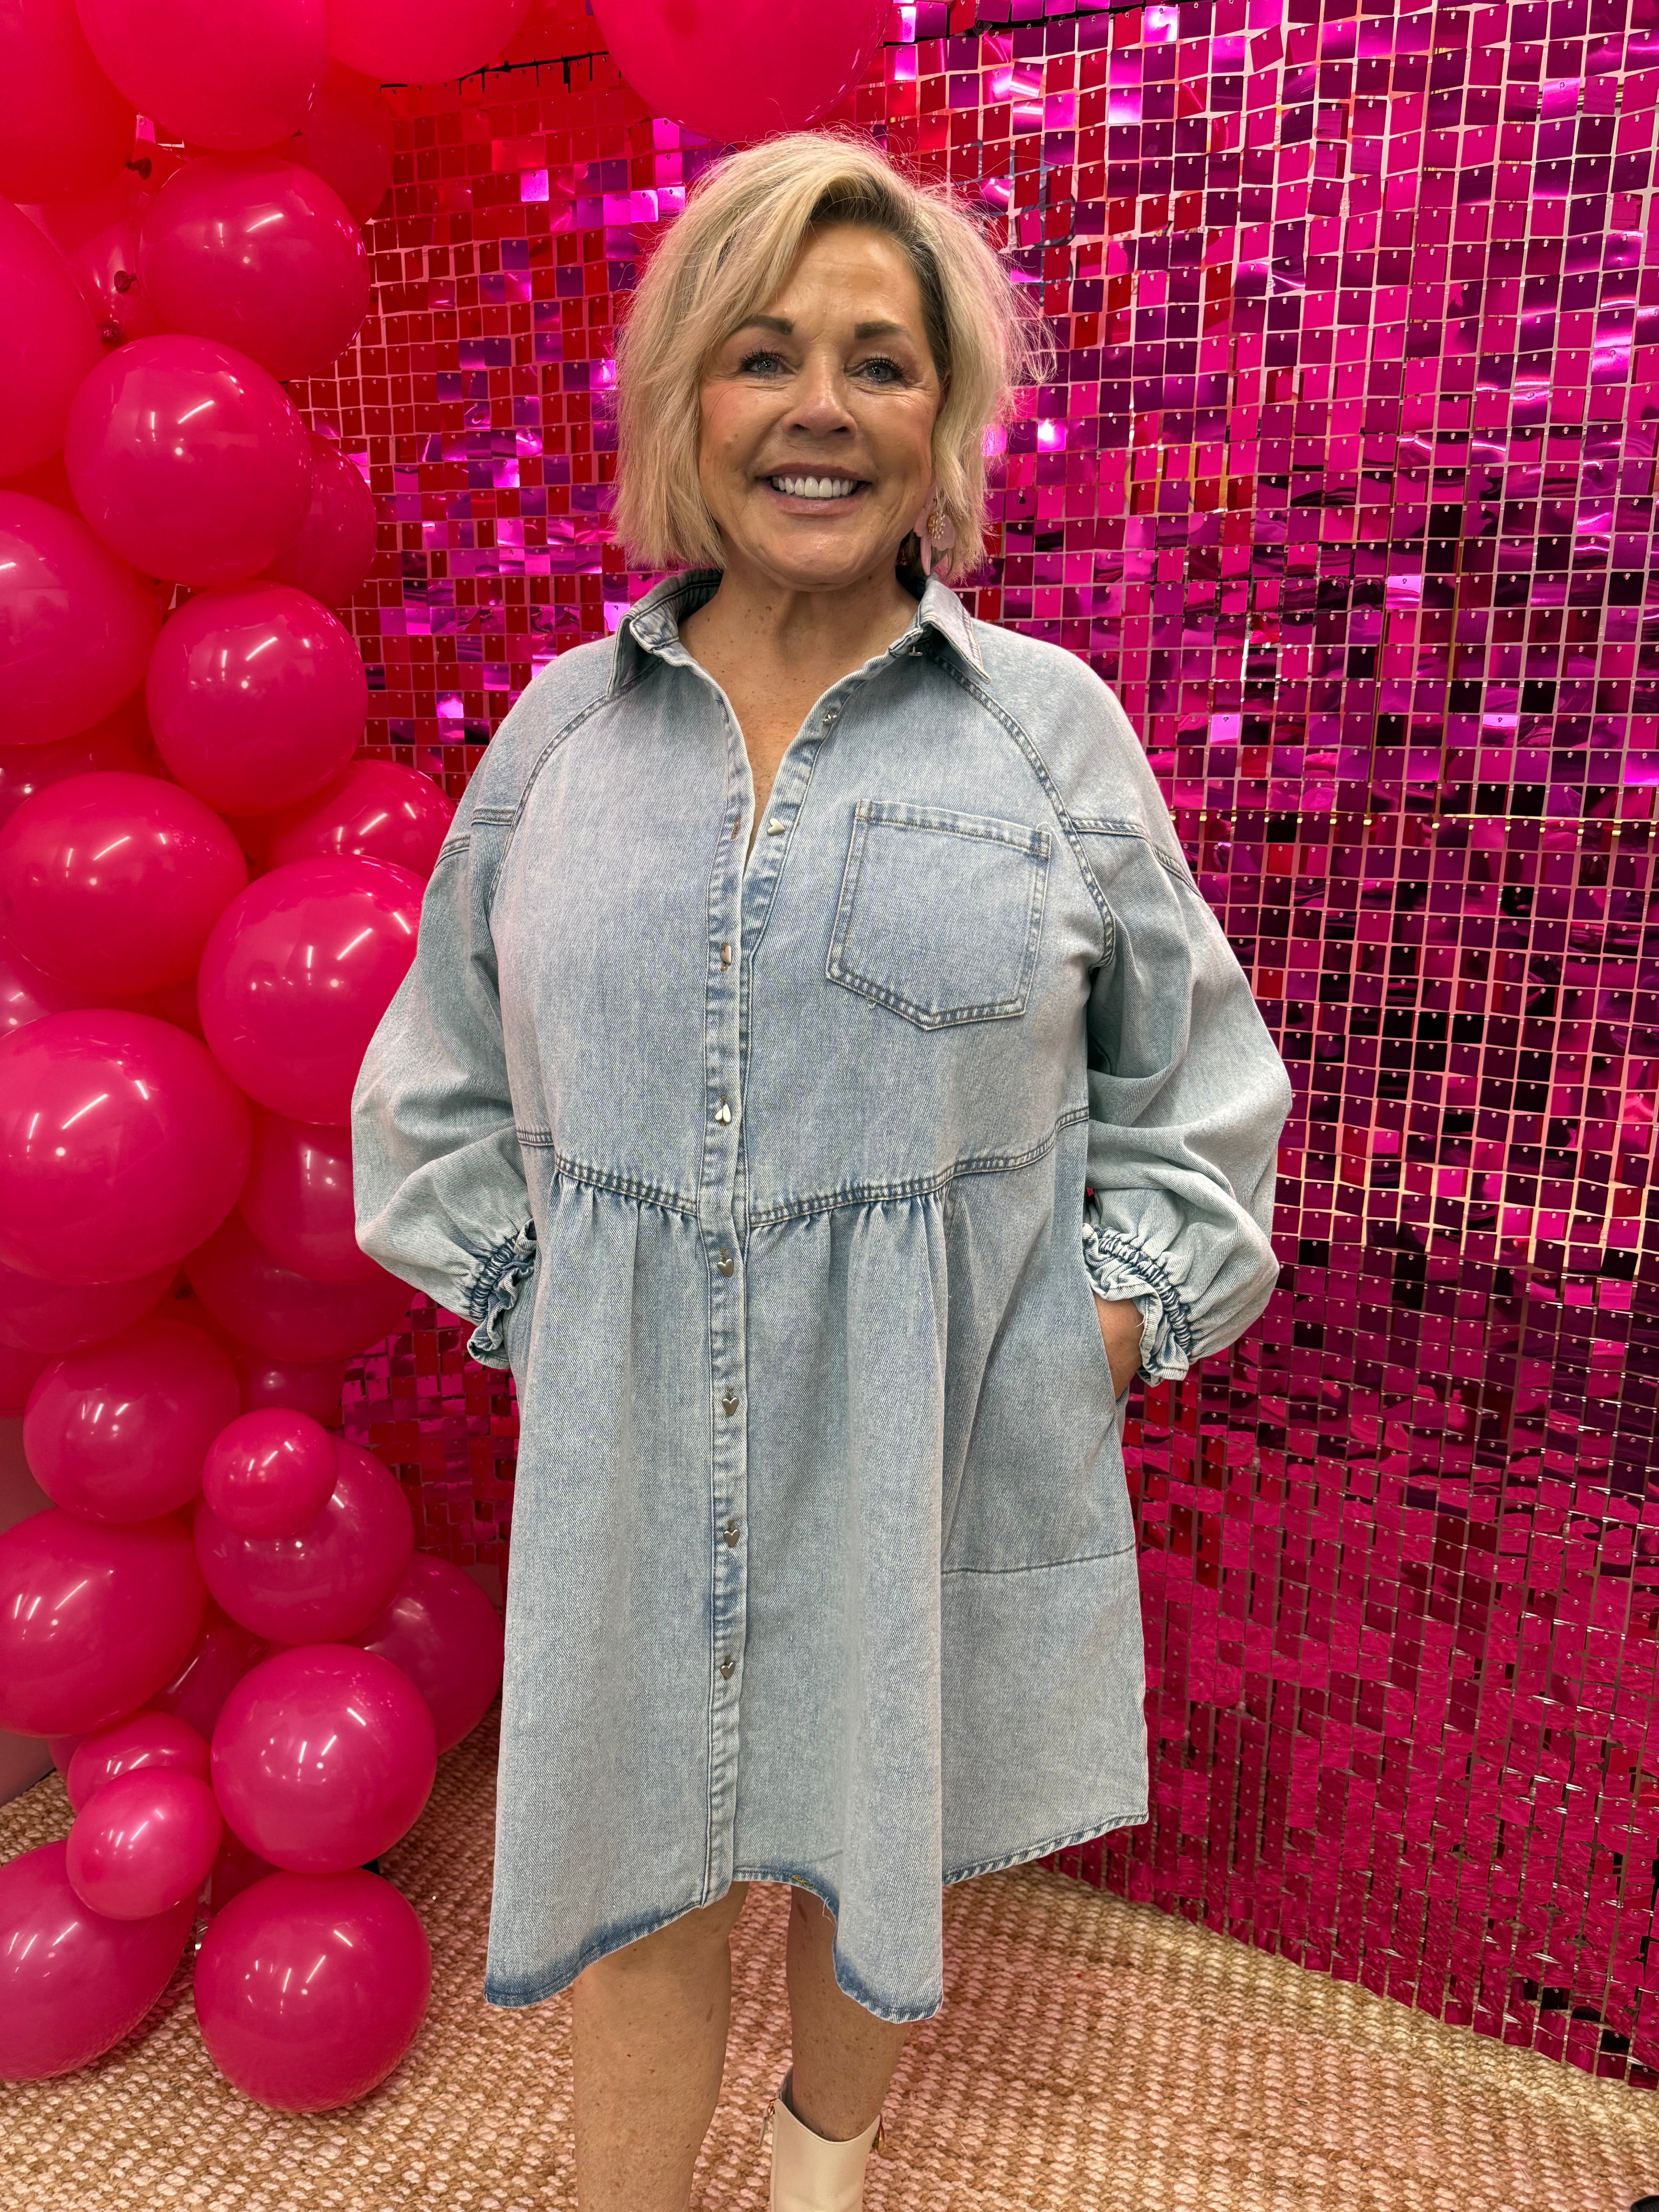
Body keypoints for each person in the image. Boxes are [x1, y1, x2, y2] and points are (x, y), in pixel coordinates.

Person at [352, 130, 1291, 2212]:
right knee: (639, 1887)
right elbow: (433, 1083)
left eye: (882, 363)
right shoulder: (560, 737)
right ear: (687, 400)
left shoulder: (1043, 730)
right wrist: (544, 1310)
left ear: (942, 418)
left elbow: (1202, 1081)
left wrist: (1094, 1333)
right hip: (629, 1455)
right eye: (765, 354)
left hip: (924, 1440)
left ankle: (820, 2166)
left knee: (884, 1857)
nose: (822, 409)